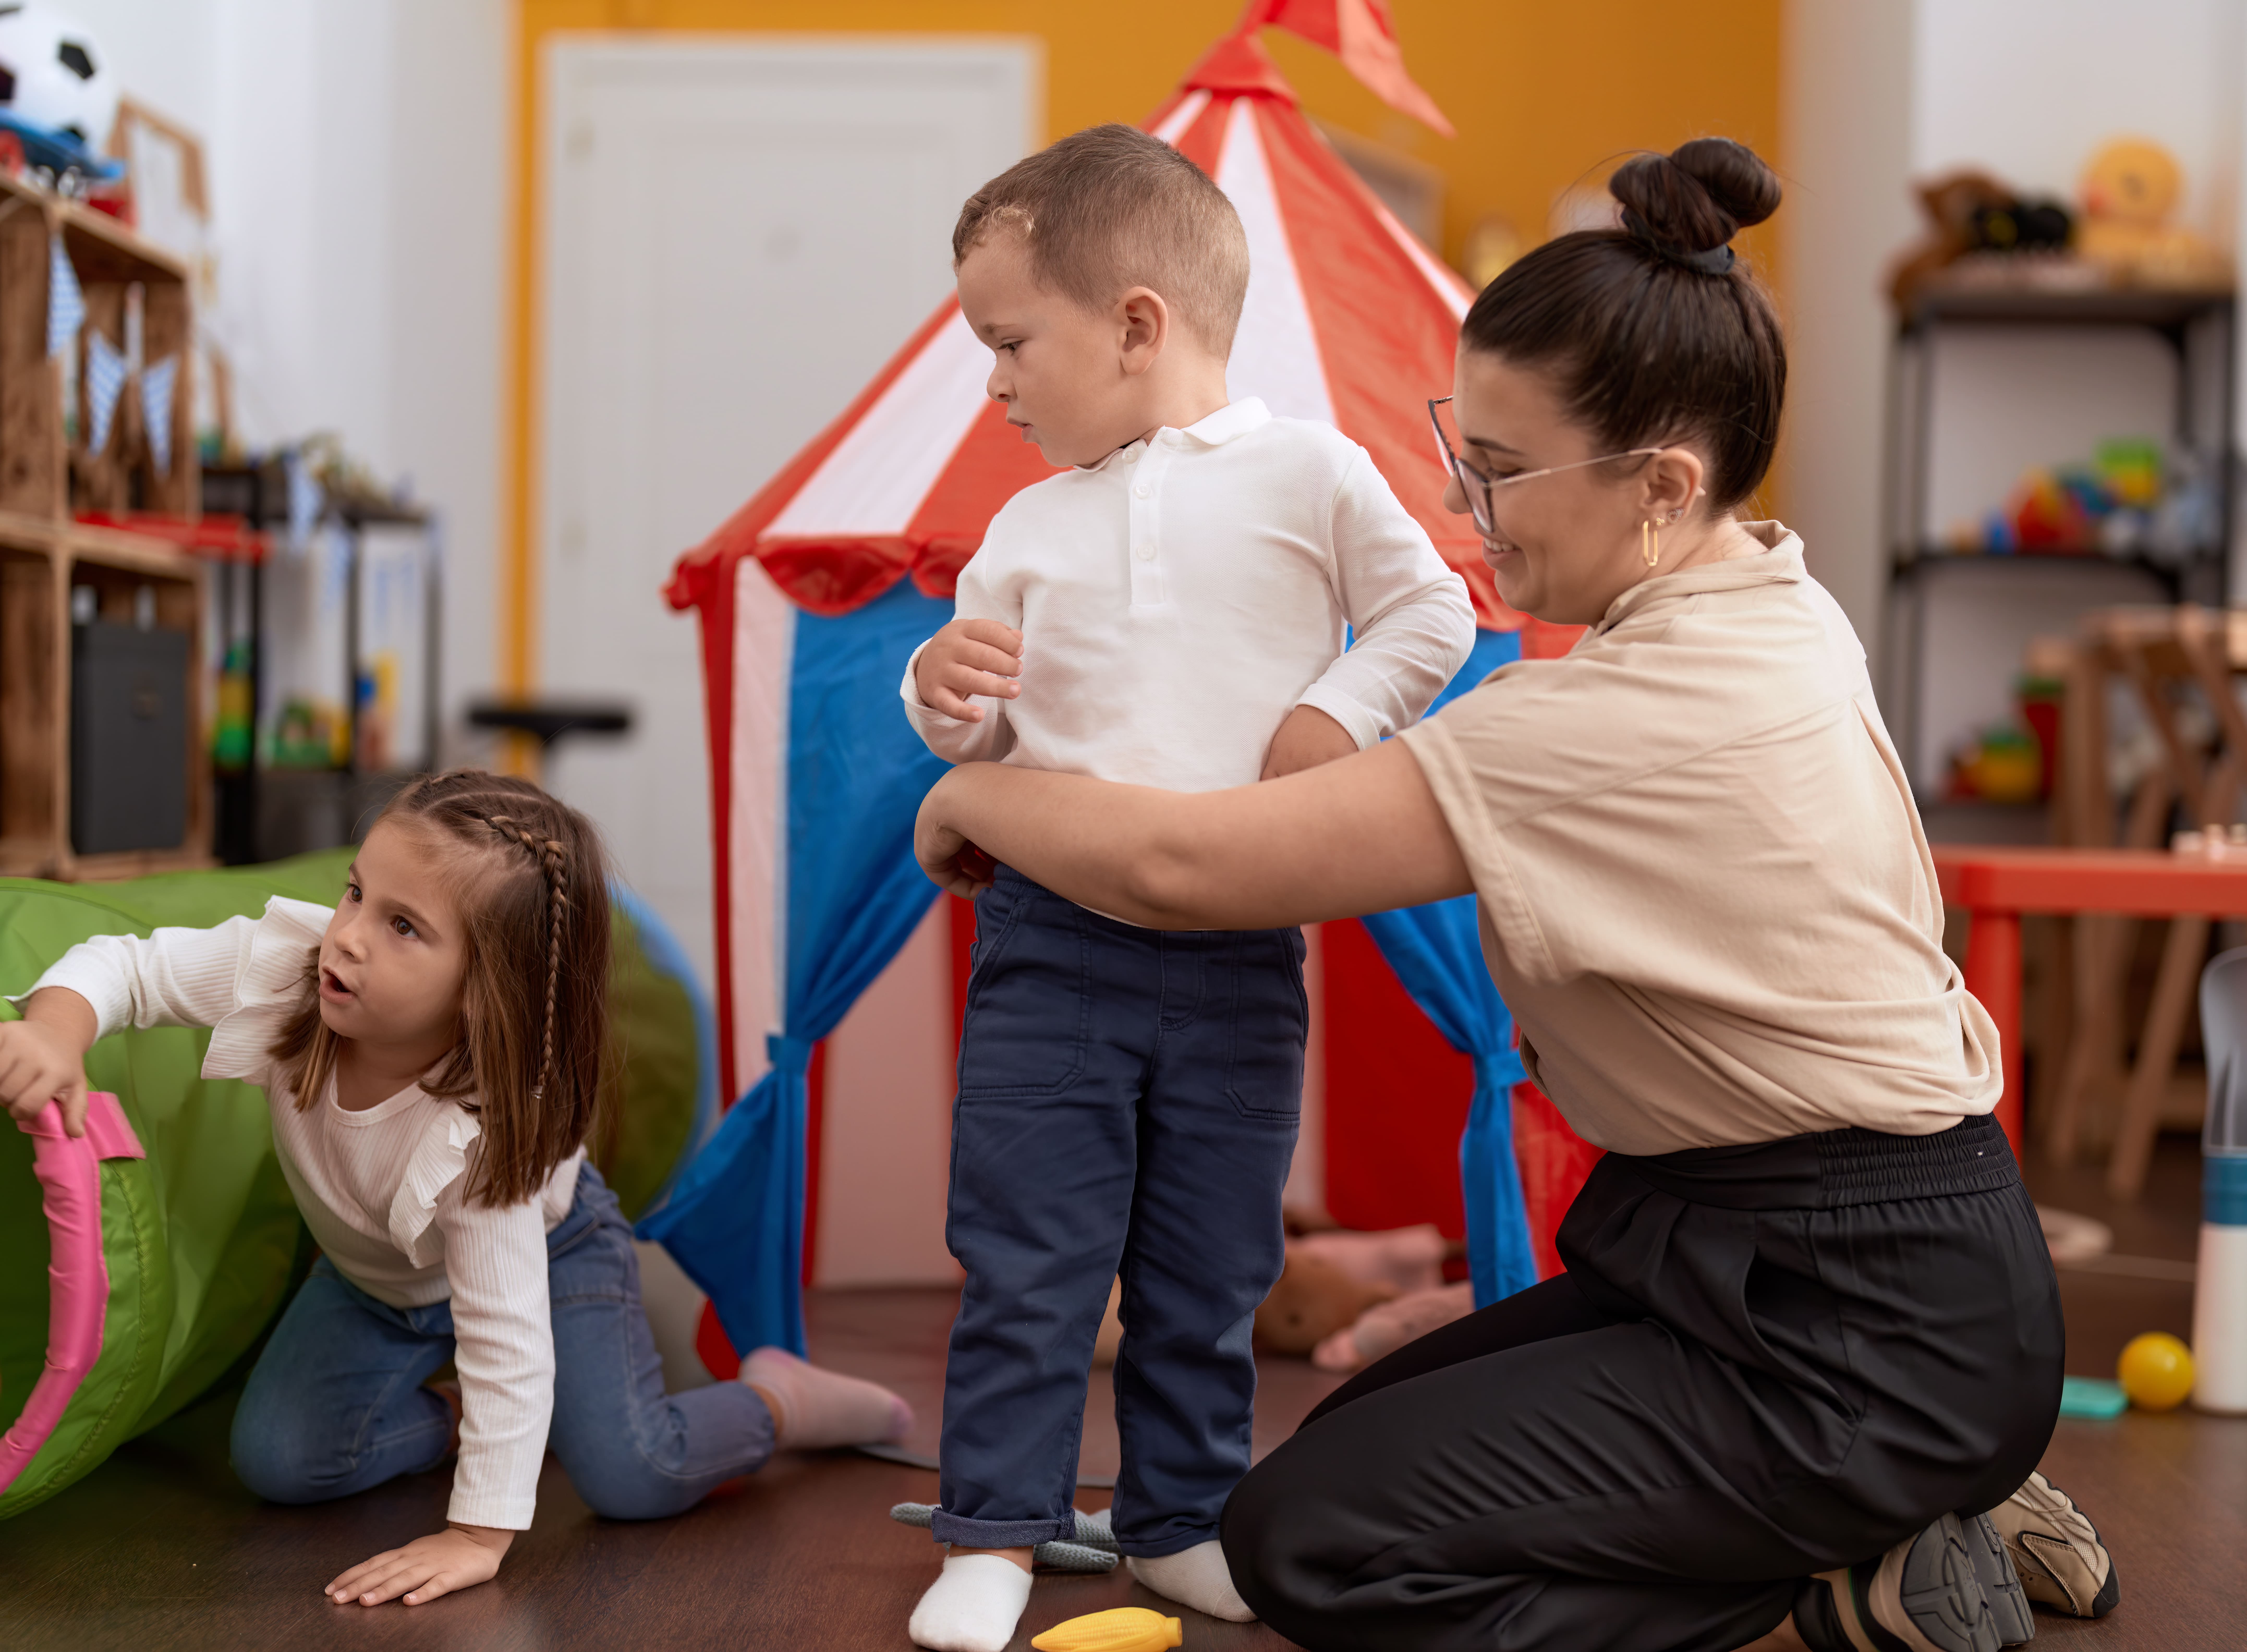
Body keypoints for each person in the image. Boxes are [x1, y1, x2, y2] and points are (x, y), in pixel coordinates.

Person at [909, 139, 2117, 1652]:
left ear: (1663, 485)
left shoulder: (1601, 722)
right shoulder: (1771, 592)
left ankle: (1842, 1578)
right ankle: (1929, 1491)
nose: (1465, 501)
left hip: (1855, 1311)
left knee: (1314, 1544)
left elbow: (1183, 868)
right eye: (1458, 447)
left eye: (1497, 469)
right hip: (1745, 1248)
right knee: (1372, 1430)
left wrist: (963, 797)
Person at [898, 124, 1477, 1652]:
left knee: (1208, 1273)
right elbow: (988, 730)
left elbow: (1430, 613)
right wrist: (938, 690)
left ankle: (1178, 1524)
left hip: (1237, 958)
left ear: (1137, 324)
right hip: (1050, 953)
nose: (998, 381)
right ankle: (997, 1539)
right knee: (1028, 1263)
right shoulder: (1025, 528)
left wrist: (1337, 718)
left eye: (1011, 341)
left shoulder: (1310, 469)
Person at [0, 772, 910, 1608]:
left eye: (404, 927)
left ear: (485, 992)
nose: (349, 935)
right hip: (379, 1278)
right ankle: (470, 1419)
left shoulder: (478, 1145)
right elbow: (127, 962)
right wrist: (54, 1033)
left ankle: (779, 1399)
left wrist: (477, 1534)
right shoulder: (293, 976)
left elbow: (508, 1335)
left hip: (550, 1258)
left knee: (634, 1474)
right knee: (281, 1461)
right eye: (358, 890)